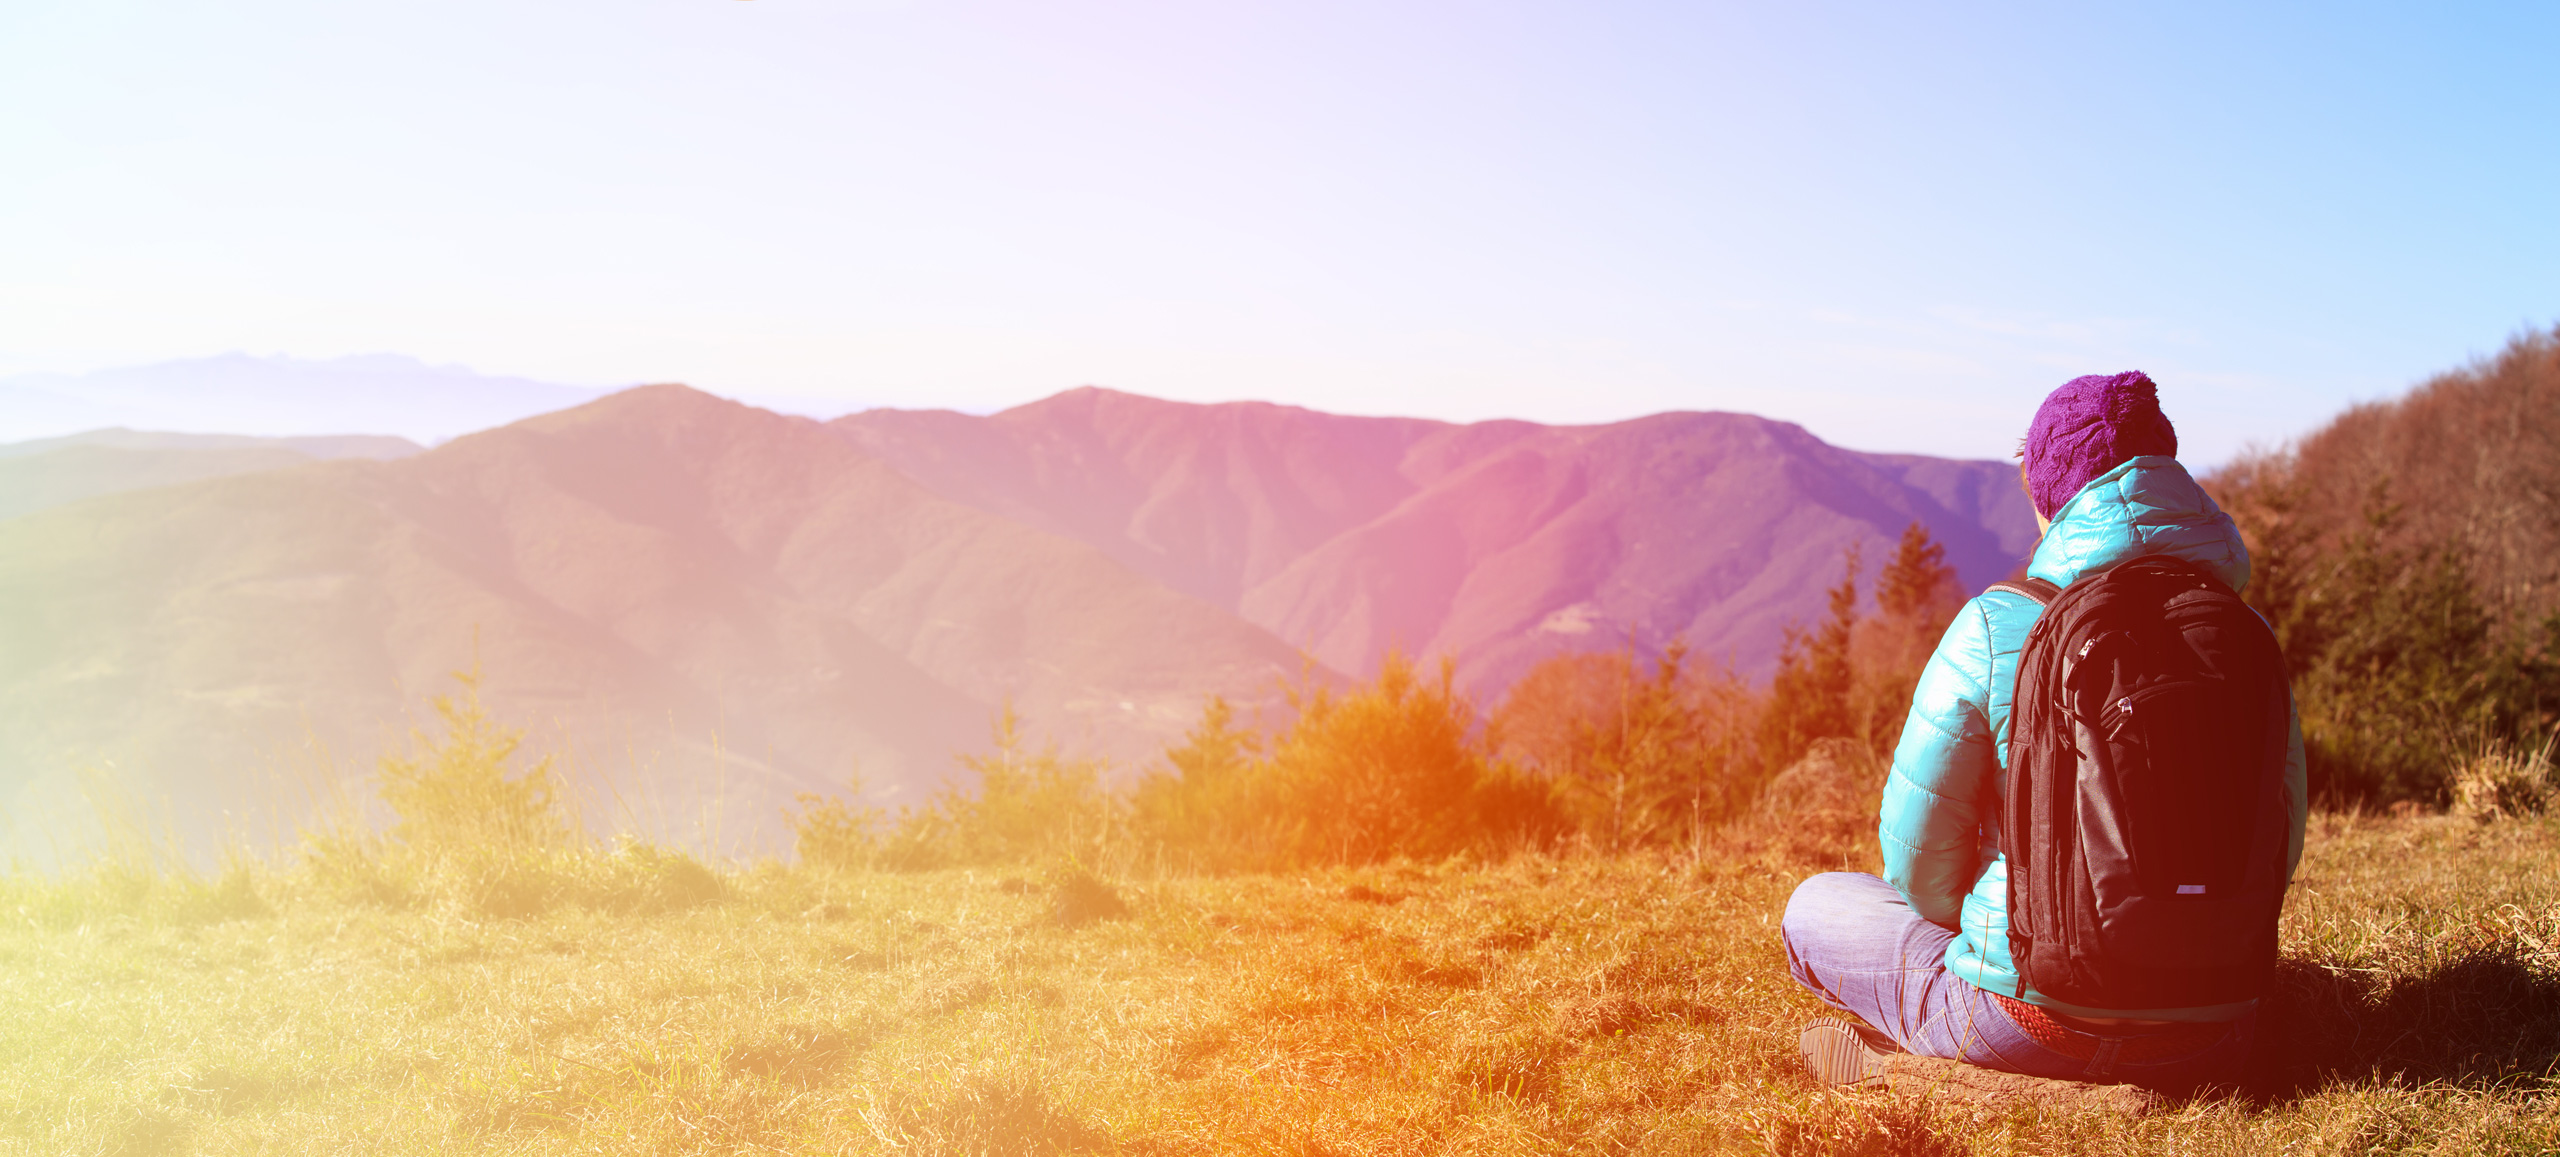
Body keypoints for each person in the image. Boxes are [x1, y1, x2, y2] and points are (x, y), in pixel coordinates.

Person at [1779, 371, 2307, 1094]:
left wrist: (2000, 931)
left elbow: (1916, 861)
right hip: (2213, 1034)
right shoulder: (2246, 635)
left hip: (2024, 1017)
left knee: (1815, 906)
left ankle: (1984, 1086)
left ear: (2050, 496)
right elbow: (2279, 844)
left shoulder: (1999, 624)